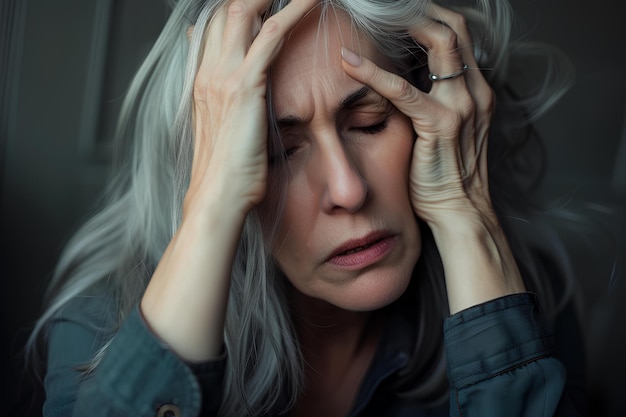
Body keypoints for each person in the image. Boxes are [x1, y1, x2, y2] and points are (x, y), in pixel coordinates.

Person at [26, 0, 588, 415]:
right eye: (277, 152)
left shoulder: (519, 303)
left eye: (370, 123)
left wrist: (466, 215)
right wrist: (213, 211)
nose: (347, 189)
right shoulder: (101, 330)